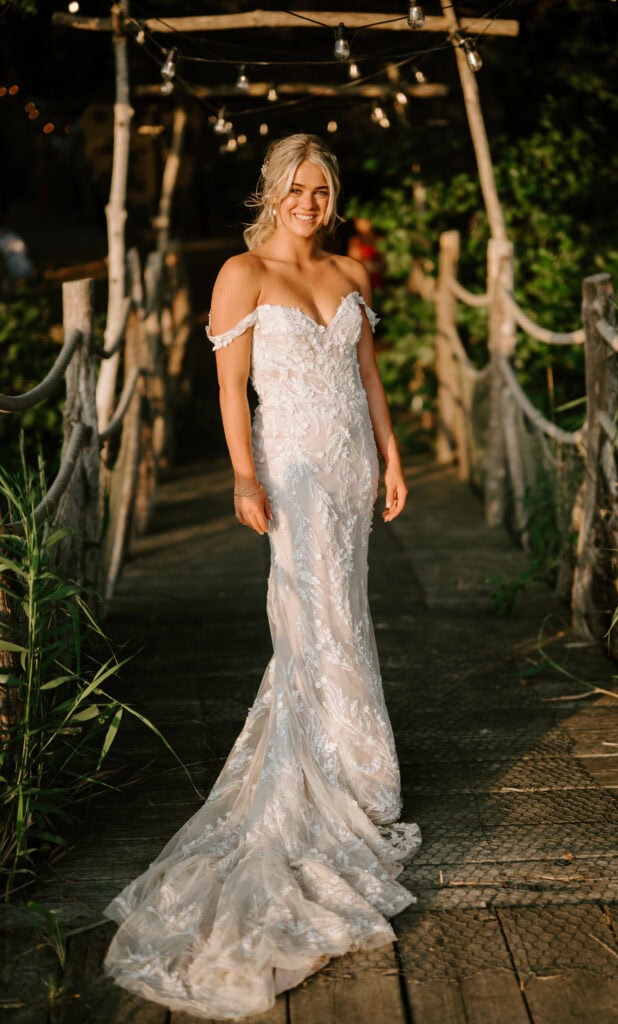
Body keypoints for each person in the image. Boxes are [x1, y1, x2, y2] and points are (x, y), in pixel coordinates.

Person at [103, 133, 421, 1020]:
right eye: (296, 189)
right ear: (272, 192)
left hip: (352, 467)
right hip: (292, 473)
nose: (309, 202)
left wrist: (394, 459)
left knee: (348, 617)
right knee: (308, 616)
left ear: (332, 195)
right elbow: (230, 388)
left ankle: (358, 771)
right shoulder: (241, 275)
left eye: (321, 189)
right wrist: (243, 475)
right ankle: (319, 778)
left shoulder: (352, 276)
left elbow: (367, 379)